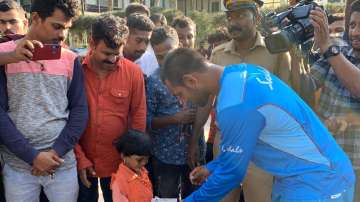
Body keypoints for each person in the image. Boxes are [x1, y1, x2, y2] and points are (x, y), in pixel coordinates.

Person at [160, 48, 355, 202]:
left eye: (180, 94)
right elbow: (243, 143)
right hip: (306, 177)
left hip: (317, 183)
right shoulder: (244, 71)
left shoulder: (234, 104)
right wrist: (213, 166)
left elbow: (231, 174)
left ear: (191, 81)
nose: (184, 102)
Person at [199, 1, 292, 201]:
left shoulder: (275, 52)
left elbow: (286, 101)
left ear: (257, 17)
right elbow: (207, 101)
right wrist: (194, 140)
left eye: (241, 16)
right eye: (230, 17)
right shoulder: (218, 54)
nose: (233, 22)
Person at [0, 0, 88, 201]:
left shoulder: (70, 59)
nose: (62, 35)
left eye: (66, 28)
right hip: (18, 167)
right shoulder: (5, 54)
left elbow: (80, 110)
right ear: (36, 18)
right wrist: (33, 157)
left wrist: (55, 153)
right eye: (57, 26)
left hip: (61, 163)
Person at [291, 1, 360, 201]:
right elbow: (306, 88)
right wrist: (295, 55)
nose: (355, 32)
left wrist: (328, 47)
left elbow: (357, 87)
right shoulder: (338, 49)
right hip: (327, 159)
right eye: (353, 25)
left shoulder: (333, 50)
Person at [74, 15, 146, 202]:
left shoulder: (133, 72)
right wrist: (80, 157)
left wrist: (132, 157)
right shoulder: (75, 69)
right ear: (92, 43)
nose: (113, 59)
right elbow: (65, 117)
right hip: (81, 160)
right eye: (106, 53)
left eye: (117, 54)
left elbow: (138, 114)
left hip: (118, 162)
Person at [146, 25, 204, 198]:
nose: (165, 61)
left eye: (169, 53)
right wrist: (174, 118)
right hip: (165, 155)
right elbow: (147, 120)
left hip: (193, 152)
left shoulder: (198, 74)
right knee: (166, 198)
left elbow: (207, 105)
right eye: (160, 57)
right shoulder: (154, 81)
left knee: (195, 196)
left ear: (179, 46)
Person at [111, 130, 153, 202]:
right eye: (139, 160)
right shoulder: (120, 184)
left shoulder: (142, 171)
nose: (144, 163)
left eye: (147, 159)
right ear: (123, 156)